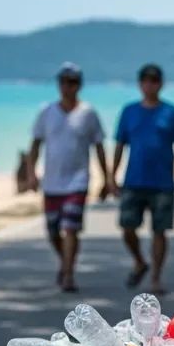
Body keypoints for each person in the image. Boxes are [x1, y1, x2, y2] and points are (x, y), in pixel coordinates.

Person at [26, 63, 112, 293]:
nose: (67, 86)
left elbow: (99, 147)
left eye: (72, 82)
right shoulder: (46, 112)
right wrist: (31, 173)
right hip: (52, 182)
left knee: (70, 228)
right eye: (64, 82)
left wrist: (107, 178)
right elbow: (35, 144)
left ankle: (68, 273)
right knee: (53, 230)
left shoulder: (88, 113)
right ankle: (65, 262)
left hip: (78, 181)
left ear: (79, 85)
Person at [111, 64, 174, 294]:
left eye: (154, 80)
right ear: (140, 84)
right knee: (127, 227)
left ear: (160, 83)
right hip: (133, 180)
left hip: (162, 182)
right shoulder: (129, 111)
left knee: (160, 231)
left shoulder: (171, 112)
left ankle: (156, 276)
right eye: (146, 80)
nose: (150, 85)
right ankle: (139, 261)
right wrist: (110, 175)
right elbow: (119, 145)